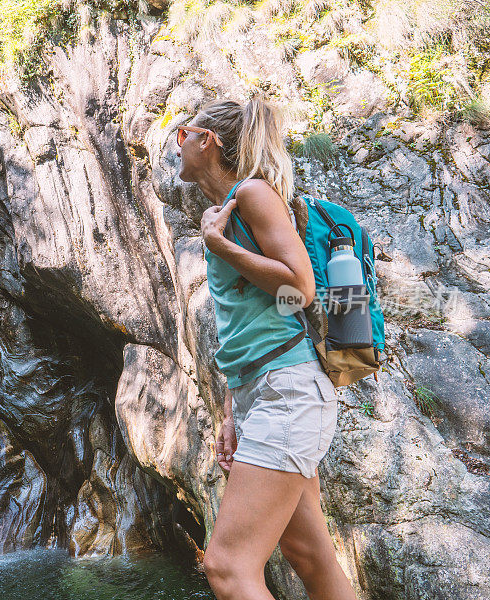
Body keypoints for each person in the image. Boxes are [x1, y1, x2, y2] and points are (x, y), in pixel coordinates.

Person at [175, 97, 358, 600]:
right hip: (266, 390)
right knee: (310, 556)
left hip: (291, 393)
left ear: (206, 141)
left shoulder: (253, 194)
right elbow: (254, 323)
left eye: (181, 134)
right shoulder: (224, 212)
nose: (178, 145)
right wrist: (234, 411)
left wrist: (222, 248)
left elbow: (300, 288)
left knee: (228, 568)